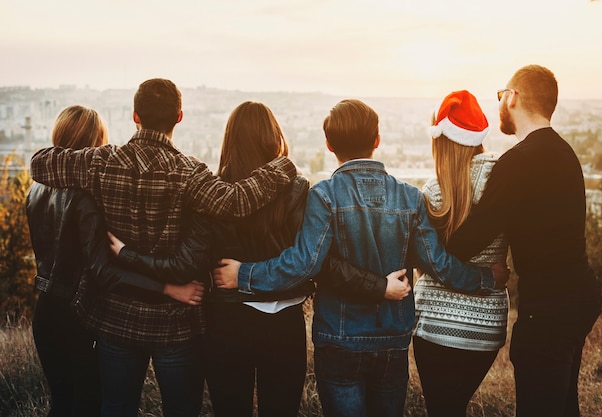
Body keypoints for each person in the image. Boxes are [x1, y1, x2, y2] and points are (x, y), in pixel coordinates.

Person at [106, 100, 411, 417]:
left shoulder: (211, 189)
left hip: (226, 319)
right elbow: (314, 260)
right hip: (283, 322)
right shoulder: (298, 190)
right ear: (274, 137)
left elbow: (193, 260)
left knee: (230, 408)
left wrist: (132, 255)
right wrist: (375, 284)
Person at [213, 99, 509, 417]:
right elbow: (437, 264)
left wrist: (243, 275)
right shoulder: (411, 198)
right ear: (377, 140)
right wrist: (486, 278)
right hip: (392, 339)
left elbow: (303, 263)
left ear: (328, 145)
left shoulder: (323, 196)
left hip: (338, 339)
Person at [28, 79, 298, 417]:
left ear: (135, 116)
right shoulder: (189, 172)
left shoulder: (101, 162)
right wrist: (282, 166)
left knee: (115, 408)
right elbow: (236, 201)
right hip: (175, 322)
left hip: (117, 318)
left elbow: (39, 165)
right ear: (179, 117)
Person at [25, 105, 205, 417]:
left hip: (46, 312)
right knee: (88, 405)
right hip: (79, 314)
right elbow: (102, 272)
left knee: (63, 404)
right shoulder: (84, 198)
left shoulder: (36, 189)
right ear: (93, 142)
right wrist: (167, 288)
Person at [446, 65, 602, 417]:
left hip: (548, 310)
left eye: (500, 95)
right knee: (562, 405)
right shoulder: (566, 154)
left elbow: (470, 240)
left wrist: (430, 235)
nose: (500, 102)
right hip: (578, 298)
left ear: (512, 97)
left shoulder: (517, 162)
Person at [412, 90, 510, 417]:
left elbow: (426, 264)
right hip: (486, 325)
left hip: (434, 324)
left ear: (441, 141)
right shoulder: (503, 180)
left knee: (442, 408)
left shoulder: (434, 190)